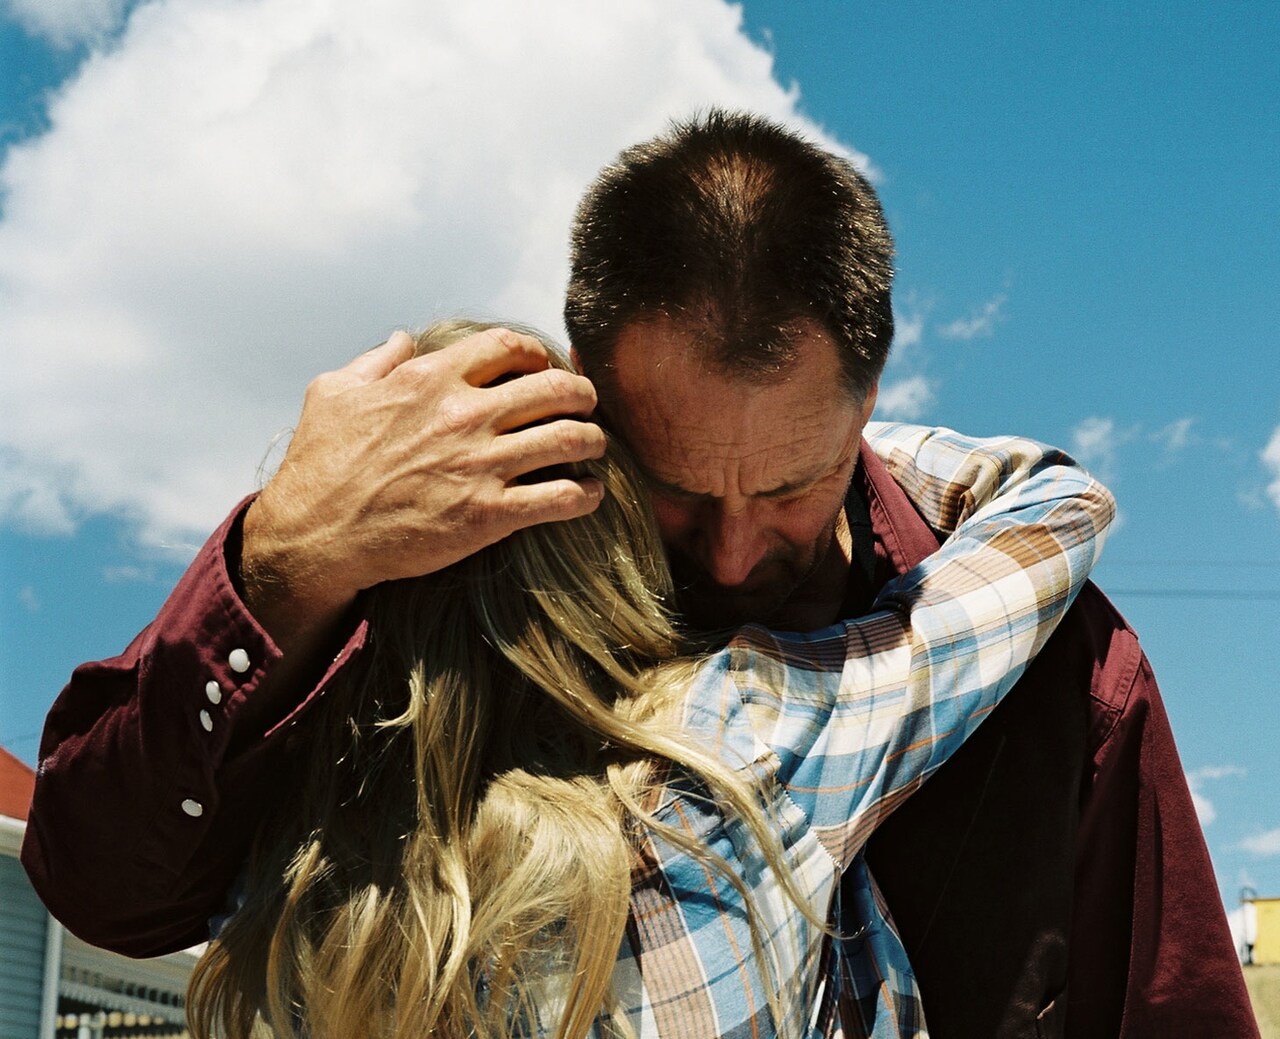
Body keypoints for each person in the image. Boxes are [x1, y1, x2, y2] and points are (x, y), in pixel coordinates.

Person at [21, 111, 1255, 1037]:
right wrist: (284, 558)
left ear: (867, 400)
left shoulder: (1068, 680)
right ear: (582, 391)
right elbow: (102, 889)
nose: (728, 553)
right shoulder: (438, 603)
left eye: (786, 489)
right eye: (671, 484)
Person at [184, 319, 1113, 1039]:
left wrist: (306, 530)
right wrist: (822, 437)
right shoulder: (741, 742)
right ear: (608, 540)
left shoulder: (282, 885)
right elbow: (1057, 506)